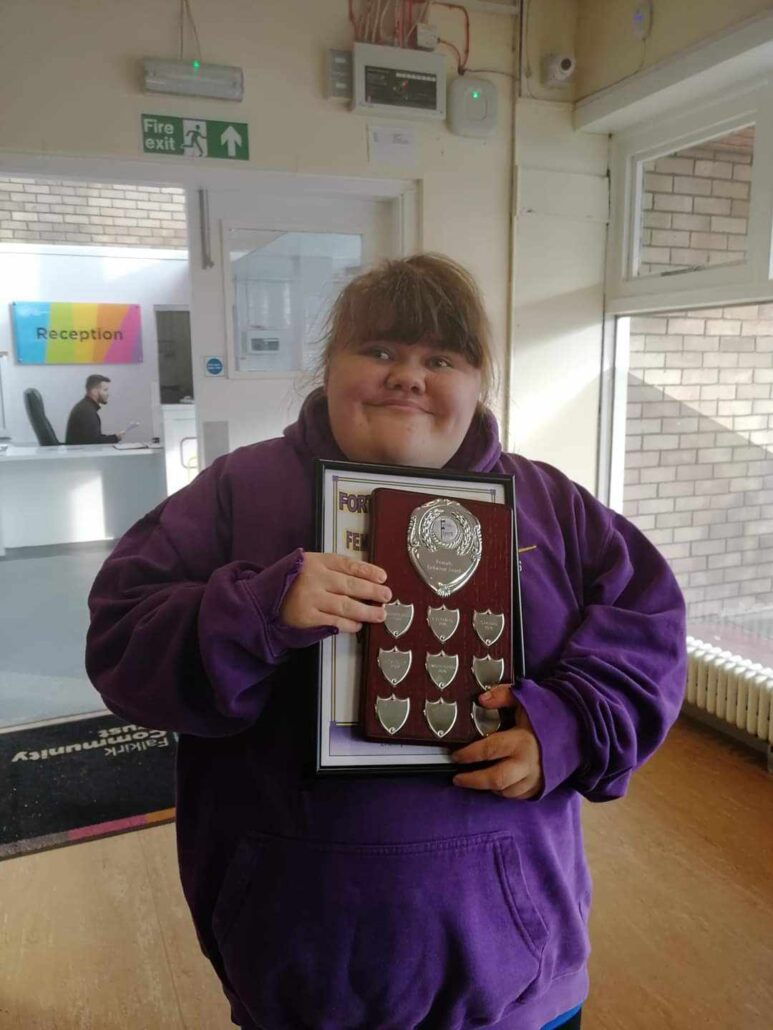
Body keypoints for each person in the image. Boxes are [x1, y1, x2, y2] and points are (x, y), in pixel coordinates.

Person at [85, 254, 686, 1030]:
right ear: (328, 368)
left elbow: (648, 633)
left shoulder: (552, 507)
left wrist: (566, 724)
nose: (408, 377)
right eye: (379, 351)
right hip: (298, 965)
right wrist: (255, 609)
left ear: (478, 385)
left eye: (441, 358)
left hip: (514, 969)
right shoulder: (237, 493)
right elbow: (121, 639)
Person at [65, 374, 125, 444]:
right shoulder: (86, 412)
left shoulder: (85, 407)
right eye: (105, 390)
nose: (108, 394)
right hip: (82, 454)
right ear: (94, 391)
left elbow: (93, 438)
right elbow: (94, 442)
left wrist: (115, 437)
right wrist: (115, 438)